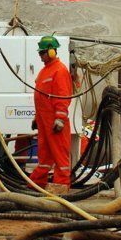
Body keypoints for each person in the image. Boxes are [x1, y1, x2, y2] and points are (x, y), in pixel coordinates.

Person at [30, 36, 72, 192]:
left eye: (43, 53)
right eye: (40, 53)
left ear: (52, 52)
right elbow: (41, 96)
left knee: (60, 155)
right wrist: (36, 117)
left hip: (55, 121)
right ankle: (37, 183)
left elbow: (63, 96)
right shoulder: (44, 71)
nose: (40, 56)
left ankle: (61, 186)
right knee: (44, 155)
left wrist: (60, 119)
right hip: (44, 121)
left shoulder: (60, 70)